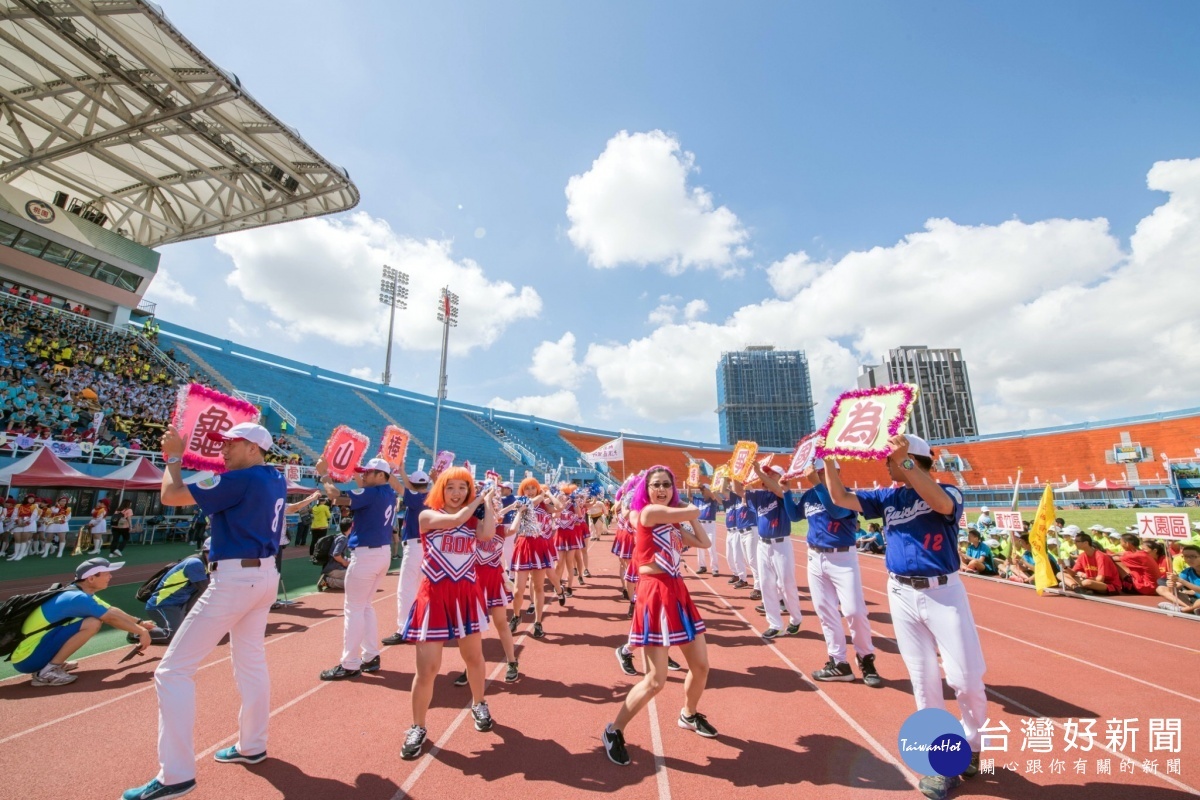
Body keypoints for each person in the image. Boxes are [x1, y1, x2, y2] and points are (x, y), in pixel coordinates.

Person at [123, 422, 287, 800]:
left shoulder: (243, 478)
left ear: (253, 448)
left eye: (232, 444)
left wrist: (175, 458)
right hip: (262, 575)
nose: (223, 450)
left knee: (171, 671)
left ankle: (175, 776)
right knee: (250, 661)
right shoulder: (273, 477)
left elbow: (171, 494)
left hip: (235, 579)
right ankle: (252, 745)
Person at [824, 434, 986, 800]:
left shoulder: (949, 490)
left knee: (966, 679)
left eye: (891, 458)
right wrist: (829, 465)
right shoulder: (888, 496)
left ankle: (973, 744)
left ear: (910, 457)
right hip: (900, 592)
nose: (886, 463)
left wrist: (908, 462)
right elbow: (841, 499)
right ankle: (941, 763)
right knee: (923, 680)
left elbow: (941, 503)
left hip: (944, 593)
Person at [603, 466, 715, 767]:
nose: (662, 489)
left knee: (701, 667)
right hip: (655, 593)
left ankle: (689, 714)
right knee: (655, 680)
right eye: (656, 485)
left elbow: (704, 543)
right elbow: (694, 509)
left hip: (678, 591)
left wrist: (686, 515)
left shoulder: (673, 521)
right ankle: (614, 730)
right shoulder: (649, 514)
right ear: (646, 490)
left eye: (667, 484)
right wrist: (686, 508)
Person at [399, 467, 497, 760]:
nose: (456, 493)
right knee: (427, 669)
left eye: (462, 488)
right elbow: (454, 519)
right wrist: (478, 500)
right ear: (441, 489)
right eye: (451, 487)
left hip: (466, 595)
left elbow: (488, 533)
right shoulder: (427, 516)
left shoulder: (472, 520)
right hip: (434, 597)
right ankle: (417, 726)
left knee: (474, 658)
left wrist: (488, 503)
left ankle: (479, 702)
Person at [787, 459, 881, 686]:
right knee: (825, 611)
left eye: (823, 471)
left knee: (855, 611)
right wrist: (786, 492)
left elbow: (837, 512)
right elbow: (794, 516)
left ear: (836, 472)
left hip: (842, 558)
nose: (819, 475)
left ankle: (865, 658)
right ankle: (838, 662)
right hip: (815, 556)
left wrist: (819, 486)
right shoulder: (811, 494)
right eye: (817, 472)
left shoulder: (846, 494)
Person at [316, 456, 398, 681]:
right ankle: (370, 655)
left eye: (368, 472)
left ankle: (350, 662)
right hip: (381, 553)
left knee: (353, 609)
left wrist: (324, 475)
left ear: (380, 475)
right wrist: (354, 473)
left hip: (366, 556)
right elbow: (365, 489)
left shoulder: (373, 493)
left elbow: (335, 496)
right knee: (365, 607)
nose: (364, 476)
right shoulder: (388, 492)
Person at [12, 557, 154, 686]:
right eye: (107, 574)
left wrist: (140, 623)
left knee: (92, 620)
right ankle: (48, 671)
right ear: (91, 578)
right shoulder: (78, 598)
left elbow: (111, 610)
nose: (110, 576)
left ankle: (51, 664)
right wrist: (140, 632)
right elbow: (110, 618)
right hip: (29, 658)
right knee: (93, 622)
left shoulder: (77, 592)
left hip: (31, 653)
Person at [736, 463, 803, 640]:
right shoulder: (759, 496)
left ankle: (795, 619)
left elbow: (779, 489)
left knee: (786, 584)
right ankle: (775, 624)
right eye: (767, 474)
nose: (766, 477)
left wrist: (758, 472)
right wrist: (736, 473)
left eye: (772, 474)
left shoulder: (783, 494)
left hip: (781, 544)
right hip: (763, 544)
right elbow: (739, 491)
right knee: (766, 584)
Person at [508, 478, 566, 639]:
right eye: (527, 488)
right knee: (519, 590)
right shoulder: (522, 502)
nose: (531, 491)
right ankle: (516, 615)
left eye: (534, 488)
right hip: (524, 545)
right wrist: (540, 496)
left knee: (539, 587)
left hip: (540, 546)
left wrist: (548, 494)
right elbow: (529, 504)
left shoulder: (544, 506)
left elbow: (560, 507)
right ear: (522, 490)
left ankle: (538, 622)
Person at [382, 469, 430, 646]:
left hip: (415, 547)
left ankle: (404, 629)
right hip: (426, 546)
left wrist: (389, 469)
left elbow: (398, 486)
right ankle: (423, 625)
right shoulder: (429, 497)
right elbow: (409, 487)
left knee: (406, 589)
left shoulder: (416, 498)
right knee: (422, 588)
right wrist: (403, 471)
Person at [134, 541, 211, 645]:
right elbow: (207, 589)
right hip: (162, 605)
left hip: (178, 604)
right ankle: (136, 633)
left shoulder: (207, 564)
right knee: (173, 636)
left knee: (189, 631)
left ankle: (160, 625)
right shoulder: (195, 563)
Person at [1061, 529, 1121, 595]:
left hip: (1108, 585)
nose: (1074, 543)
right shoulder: (1082, 556)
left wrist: (1085, 578)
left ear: (1086, 543)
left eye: (1077, 541)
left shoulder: (1101, 556)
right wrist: (1064, 566)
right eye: (1074, 541)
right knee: (1060, 574)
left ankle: (1080, 586)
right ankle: (1076, 588)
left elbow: (1100, 580)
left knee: (1087, 582)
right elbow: (1072, 573)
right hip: (1090, 581)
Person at [1158, 544, 1200, 613]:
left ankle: (1183, 609)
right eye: (1186, 556)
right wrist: (1171, 584)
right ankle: (1191, 608)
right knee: (1161, 589)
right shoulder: (1186, 572)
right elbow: (1172, 591)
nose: (1189, 559)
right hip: (1195, 600)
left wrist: (1181, 580)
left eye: (1193, 556)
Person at [689, 483, 719, 576]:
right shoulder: (699, 500)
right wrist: (689, 486)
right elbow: (689, 496)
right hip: (700, 525)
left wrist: (706, 488)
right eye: (701, 490)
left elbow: (713, 495)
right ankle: (702, 566)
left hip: (710, 525)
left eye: (703, 490)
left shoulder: (713, 500)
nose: (702, 492)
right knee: (700, 547)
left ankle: (715, 568)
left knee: (711, 547)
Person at [318, 520, 351, 591]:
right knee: (354, 582)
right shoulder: (343, 538)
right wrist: (344, 562)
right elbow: (336, 554)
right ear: (350, 527)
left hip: (332, 567)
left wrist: (348, 560)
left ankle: (329, 580)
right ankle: (327, 581)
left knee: (354, 577)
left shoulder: (339, 536)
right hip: (334, 569)